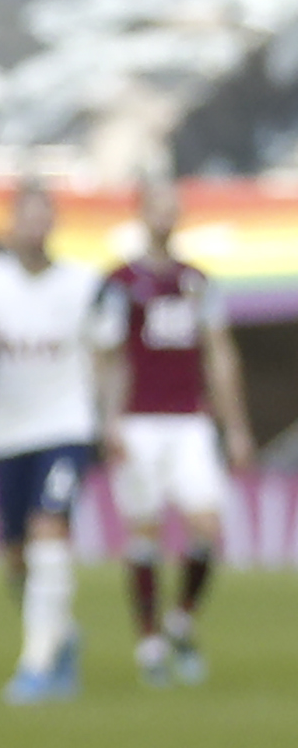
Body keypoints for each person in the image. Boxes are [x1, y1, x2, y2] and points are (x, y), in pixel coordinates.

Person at [93, 174, 254, 686]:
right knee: (144, 531)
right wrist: (109, 418)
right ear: (142, 213)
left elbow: (219, 353)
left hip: (189, 420)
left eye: (172, 206)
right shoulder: (120, 282)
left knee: (207, 524)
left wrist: (236, 426)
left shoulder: (197, 281)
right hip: (139, 420)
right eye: (157, 206)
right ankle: (150, 644)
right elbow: (109, 355)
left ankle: (181, 619)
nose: (166, 214)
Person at [0, 180, 99, 703]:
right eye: (25, 216)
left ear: (53, 222)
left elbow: (108, 354)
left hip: (66, 427)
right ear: (11, 223)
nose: (34, 225)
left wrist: (113, 417)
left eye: (42, 215)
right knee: (16, 557)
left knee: (49, 528)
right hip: (7, 432)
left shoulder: (84, 284)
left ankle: (35, 665)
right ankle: (61, 634)